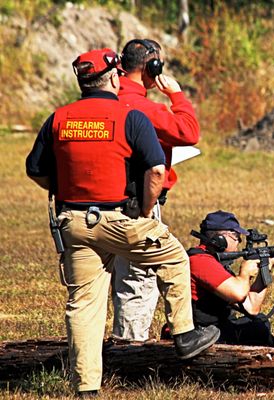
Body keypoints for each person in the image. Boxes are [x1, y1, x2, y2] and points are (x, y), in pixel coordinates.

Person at [25, 48, 219, 397]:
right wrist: (145, 213)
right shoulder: (129, 116)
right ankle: (185, 335)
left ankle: (86, 388)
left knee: (84, 305)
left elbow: (35, 170)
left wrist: (67, 188)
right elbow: (156, 169)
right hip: (120, 218)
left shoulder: (59, 118)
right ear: (114, 77)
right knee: (175, 258)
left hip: (75, 223)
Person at [111, 38, 201, 341]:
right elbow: (189, 132)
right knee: (138, 280)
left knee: (97, 284)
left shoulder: (103, 101)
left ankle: (93, 354)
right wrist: (176, 94)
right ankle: (129, 353)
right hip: (138, 203)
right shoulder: (143, 107)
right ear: (153, 66)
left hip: (95, 205)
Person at [163, 210, 274, 351]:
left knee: (260, 321)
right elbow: (238, 293)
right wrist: (245, 273)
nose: (239, 241)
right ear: (220, 239)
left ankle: (272, 347)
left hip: (211, 329)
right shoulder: (200, 261)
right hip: (198, 334)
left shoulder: (214, 261)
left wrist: (266, 268)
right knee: (257, 329)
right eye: (235, 236)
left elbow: (252, 308)